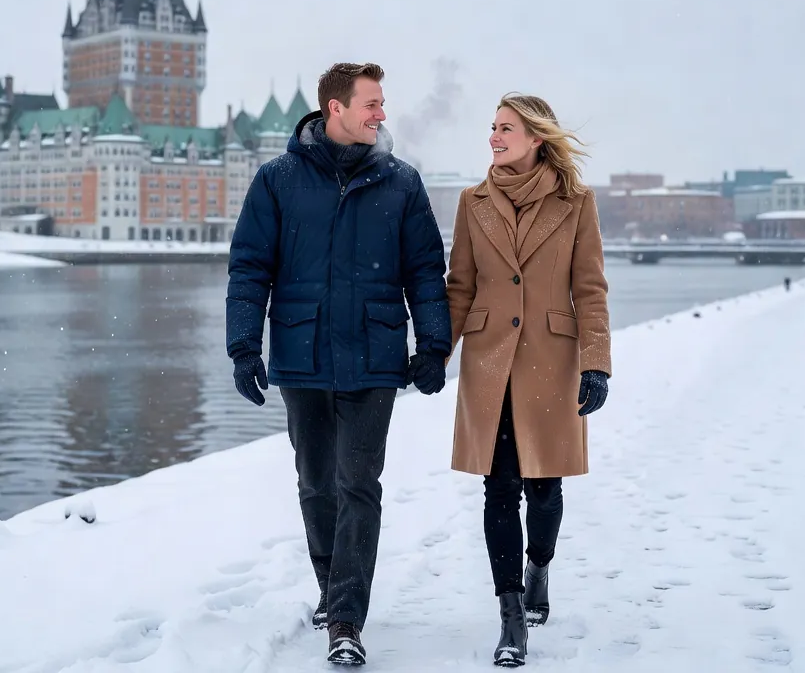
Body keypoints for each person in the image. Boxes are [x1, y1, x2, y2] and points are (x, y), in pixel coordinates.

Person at [226, 62, 452, 666]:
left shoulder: (402, 184)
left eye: (382, 104)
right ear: (335, 110)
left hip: (376, 360)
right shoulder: (277, 180)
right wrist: (245, 346)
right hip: (302, 357)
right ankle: (331, 587)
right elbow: (250, 267)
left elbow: (427, 272)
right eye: (371, 104)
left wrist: (434, 345)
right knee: (316, 484)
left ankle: (346, 618)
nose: (381, 114)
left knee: (359, 484)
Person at [445, 93, 612, 667]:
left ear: (537, 137)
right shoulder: (474, 201)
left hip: (551, 359)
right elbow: (460, 285)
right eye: (491, 127)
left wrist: (596, 361)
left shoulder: (576, 203)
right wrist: (434, 351)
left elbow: (589, 288)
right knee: (499, 489)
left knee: (544, 490)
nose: (494, 136)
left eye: (506, 128)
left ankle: (539, 565)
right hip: (490, 362)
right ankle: (510, 615)